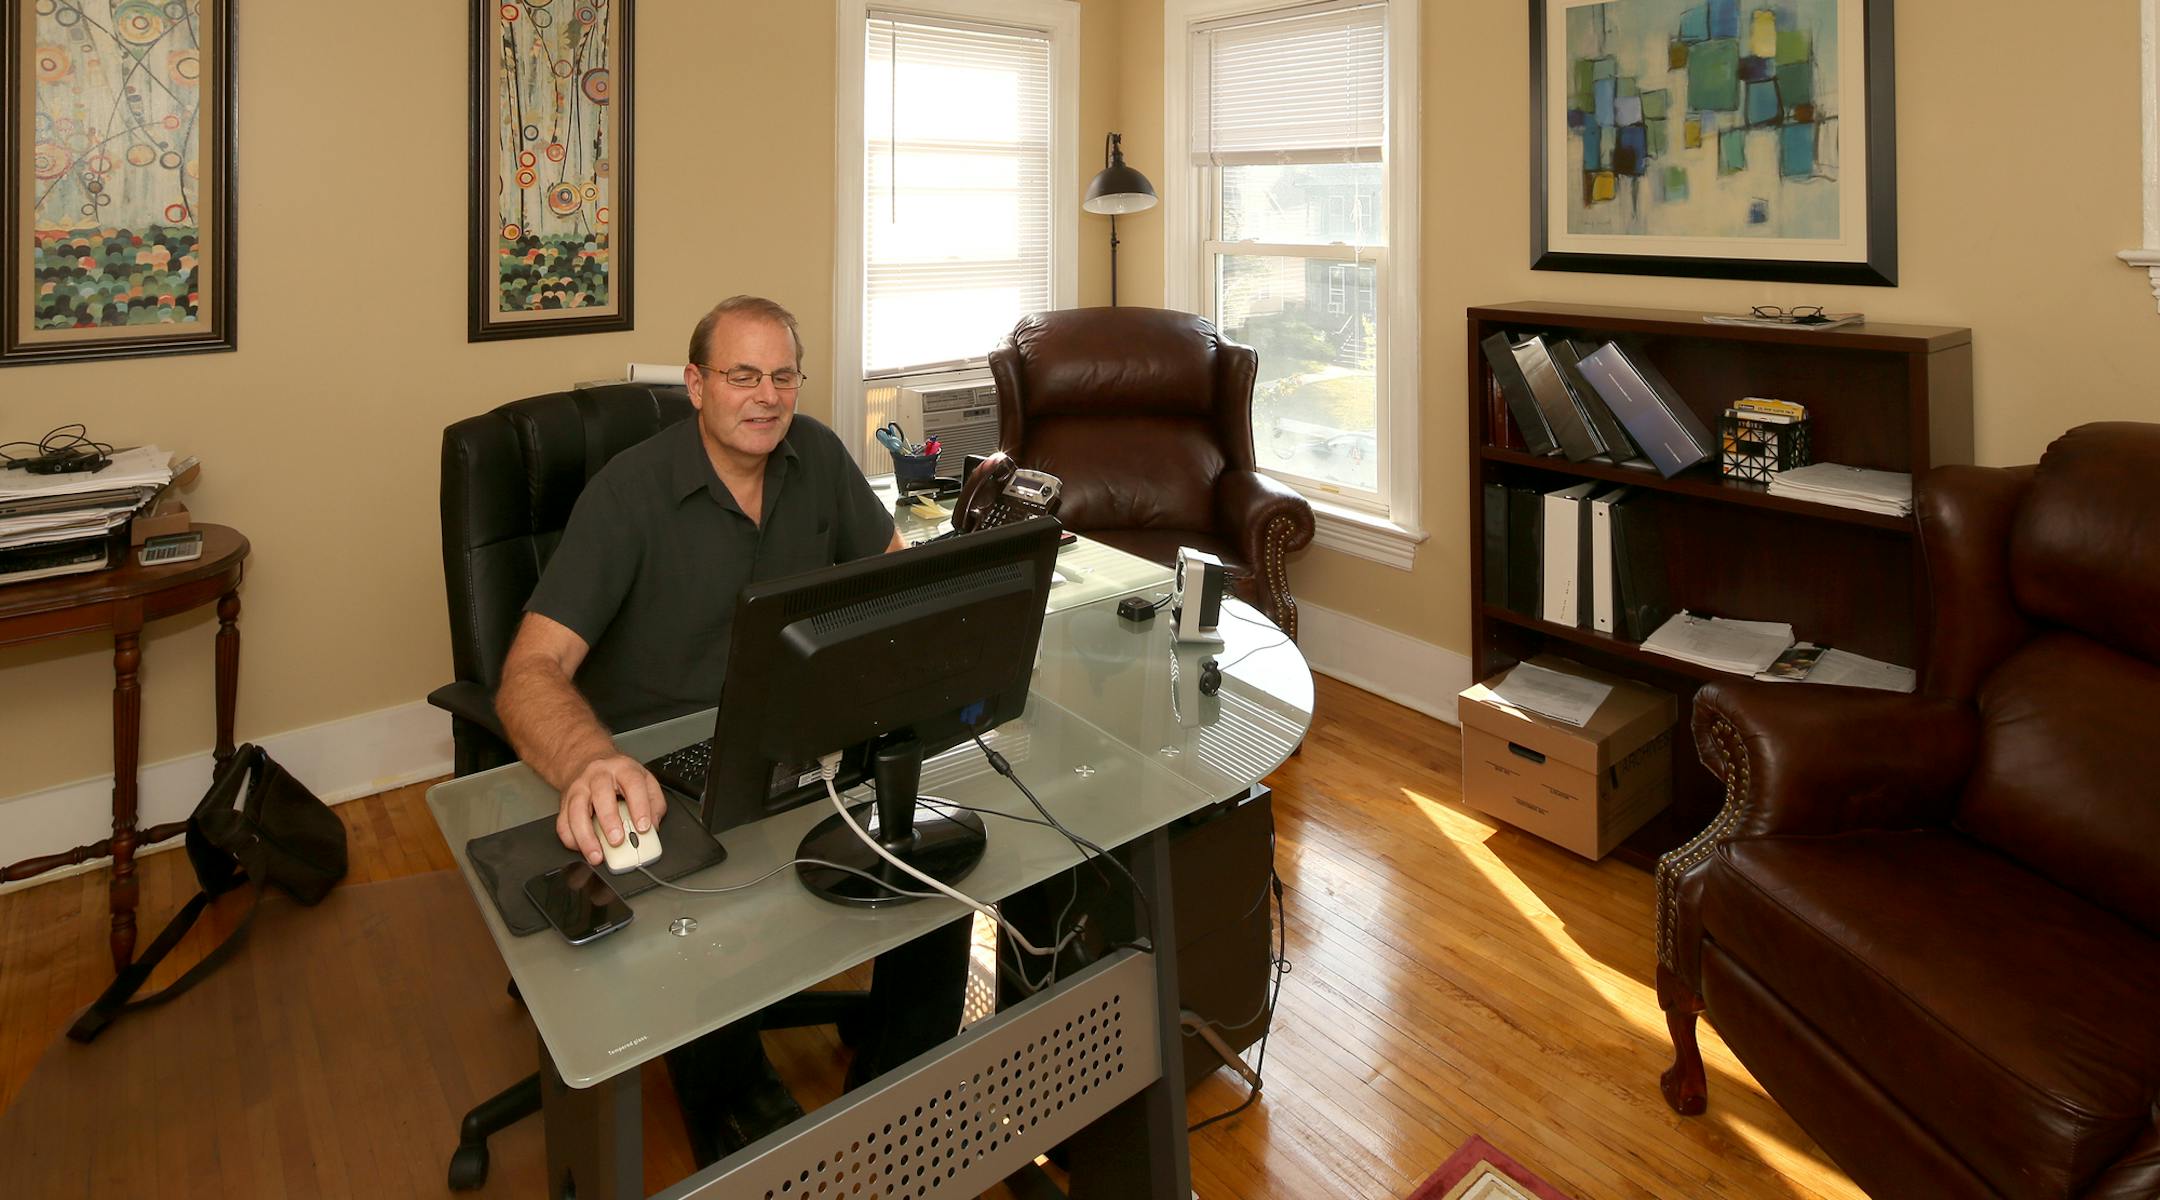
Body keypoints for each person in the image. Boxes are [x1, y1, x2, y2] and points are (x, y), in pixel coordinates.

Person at [494, 294, 968, 1164]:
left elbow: (894, 580)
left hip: (797, 735)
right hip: (661, 771)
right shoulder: (627, 496)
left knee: (931, 854)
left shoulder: (817, 456)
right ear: (696, 384)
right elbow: (527, 674)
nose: (766, 396)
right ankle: (761, 1144)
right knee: (704, 940)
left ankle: (904, 1107)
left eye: (783, 375)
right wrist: (590, 761)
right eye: (741, 375)